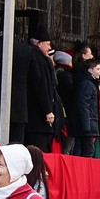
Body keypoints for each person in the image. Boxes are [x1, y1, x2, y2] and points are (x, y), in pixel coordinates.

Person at [27, 25, 64, 153]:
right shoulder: (38, 59)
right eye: (47, 44)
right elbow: (40, 85)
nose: (50, 48)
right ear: (39, 43)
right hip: (38, 118)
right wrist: (47, 110)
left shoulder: (38, 57)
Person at [72, 58, 100, 157]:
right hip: (86, 125)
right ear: (90, 70)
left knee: (84, 149)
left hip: (87, 124)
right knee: (88, 150)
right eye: (97, 69)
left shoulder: (89, 83)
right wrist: (86, 126)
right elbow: (83, 105)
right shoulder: (87, 84)